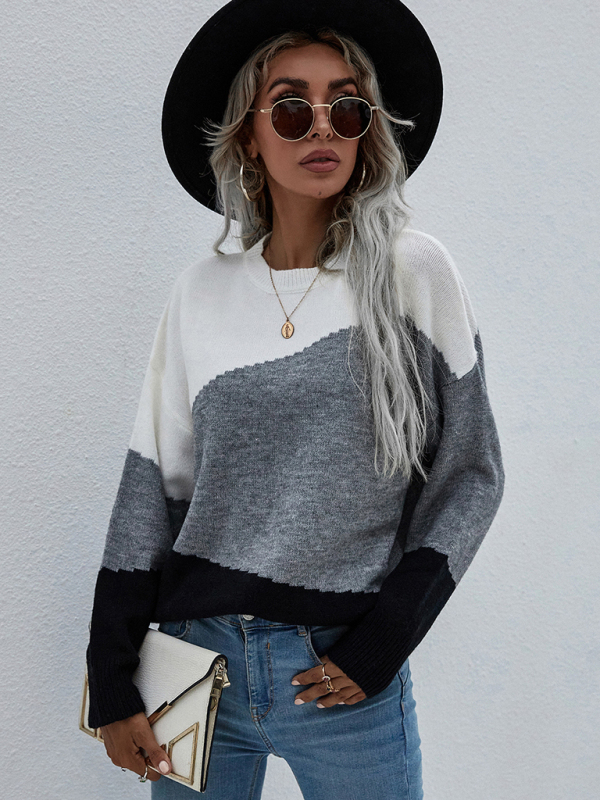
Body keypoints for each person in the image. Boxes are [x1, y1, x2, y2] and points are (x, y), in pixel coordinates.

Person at [85, 1, 505, 798]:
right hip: (193, 665)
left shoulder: (415, 275)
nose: (321, 127)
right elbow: (152, 487)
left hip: (340, 675)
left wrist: (384, 640)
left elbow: (472, 475)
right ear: (248, 134)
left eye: (346, 108)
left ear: (366, 130)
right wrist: (111, 676)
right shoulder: (201, 292)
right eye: (289, 107)